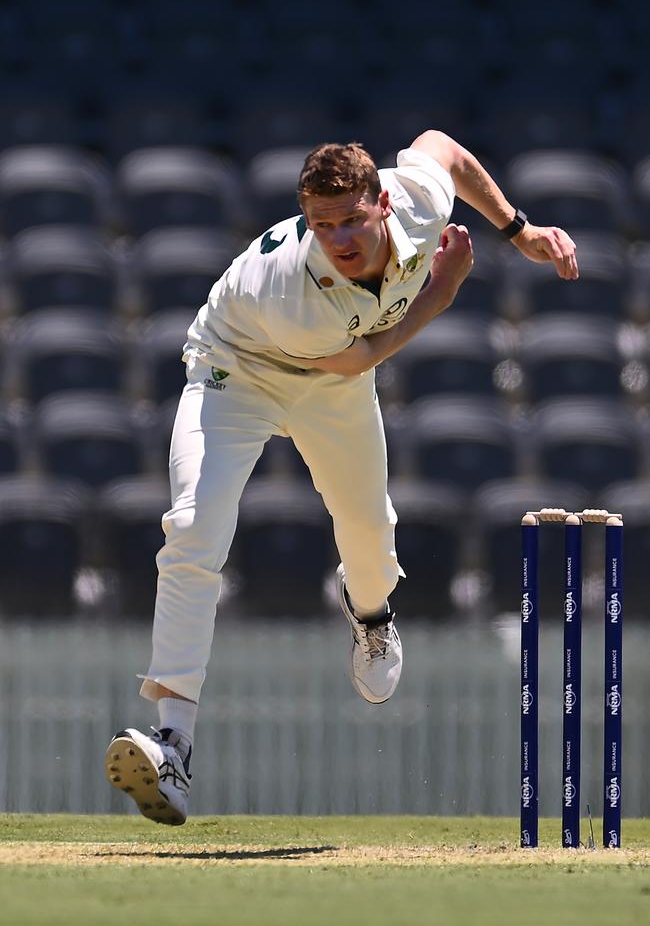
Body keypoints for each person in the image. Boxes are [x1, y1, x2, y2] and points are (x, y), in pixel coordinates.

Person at [104, 130, 578, 825]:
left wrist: (519, 228)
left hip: (332, 382)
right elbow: (360, 359)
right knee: (194, 527)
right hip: (237, 371)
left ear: (383, 203)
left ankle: (372, 617)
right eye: (323, 226)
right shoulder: (294, 286)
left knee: (366, 527)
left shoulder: (417, 200)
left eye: (352, 219)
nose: (339, 238)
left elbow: (443, 148)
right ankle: (173, 745)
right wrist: (441, 295)